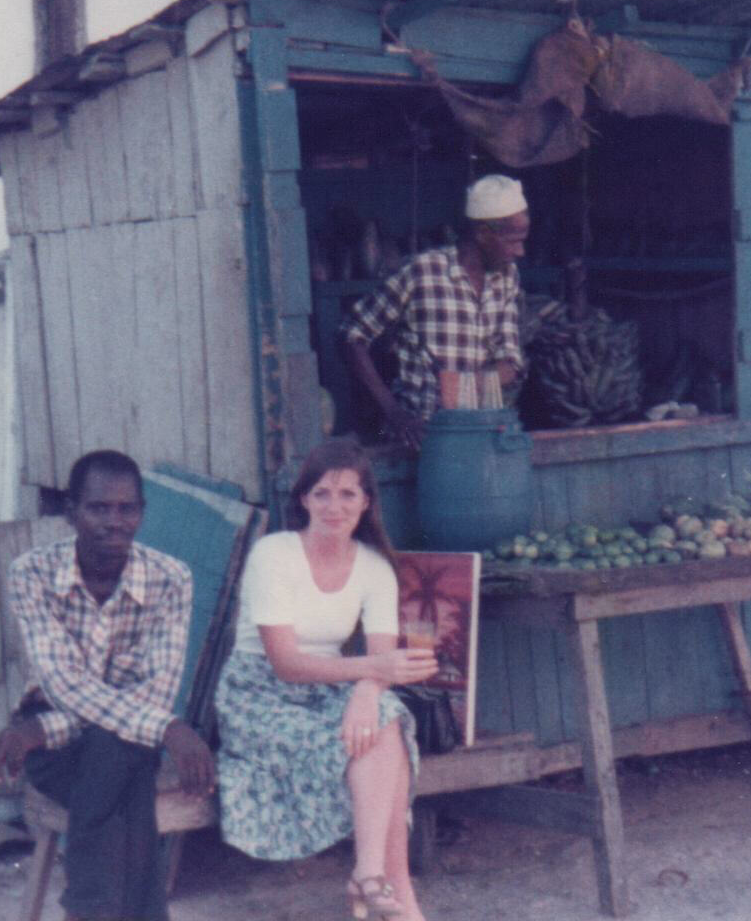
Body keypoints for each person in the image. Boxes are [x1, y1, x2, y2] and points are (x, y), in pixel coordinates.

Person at [0, 449, 215, 921]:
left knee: (112, 762)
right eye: (99, 508)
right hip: (77, 744)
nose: (114, 521)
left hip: (85, 735)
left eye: (127, 508)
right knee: (125, 791)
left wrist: (42, 731)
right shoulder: (31, 574)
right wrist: (170, 730)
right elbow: (63, 681)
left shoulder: (171, 579)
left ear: (142, 513)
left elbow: (154, 691)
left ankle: (87, 912)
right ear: (71, 512)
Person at [215, 439, 438, 920]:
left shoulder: (376, 566)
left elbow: (378, 660)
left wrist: (365, 694)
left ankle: (371, 876)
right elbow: (285, 664)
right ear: (303, 501)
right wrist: (370, 675)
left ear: (366, 502)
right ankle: (398, 900)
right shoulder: (274, 554)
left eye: (347, 494)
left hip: (333, 686)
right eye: (322, 494)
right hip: (260, 695)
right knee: (385, 734)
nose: (334, 507)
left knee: (385, 720)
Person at [342, 173, 529, 447]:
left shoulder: (507, 277)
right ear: (483, 234)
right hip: (422, 440)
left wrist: (465, 386)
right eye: (513, 240)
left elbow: (510, 361)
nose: (521, 251)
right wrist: (393, 412)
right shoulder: (422, 272)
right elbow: (350, 337)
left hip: (480, 436)